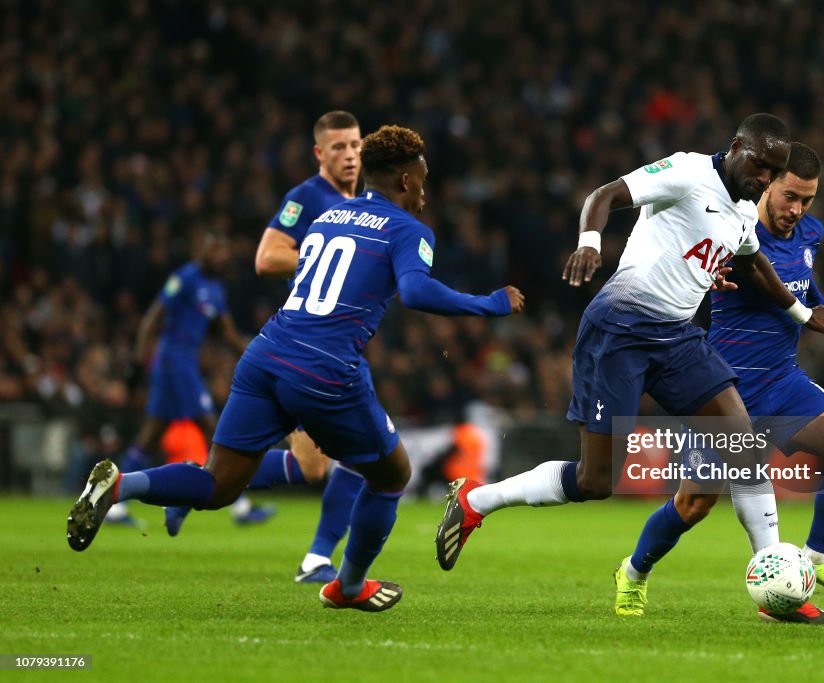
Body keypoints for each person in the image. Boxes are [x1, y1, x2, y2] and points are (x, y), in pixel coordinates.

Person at [67, 125, 525, 613]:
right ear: (407, 181)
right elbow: (414, 292)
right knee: (391, 475)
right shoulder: (411, 229)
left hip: (267, 352)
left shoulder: (330, 214)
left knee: (218, 483)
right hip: (326, 370)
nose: (426, 192)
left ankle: (122, 485)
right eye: (423, 180)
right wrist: (490, 303)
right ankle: (348, 586)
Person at [434, 114, 824, 618]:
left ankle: (778, 595)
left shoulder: (744, 210)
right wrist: (590, 243)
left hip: (678, 338)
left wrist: (804, 314)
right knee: (596, 482)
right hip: (619, 332)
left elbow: (751, 265)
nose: (765, 179)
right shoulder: (686, 172)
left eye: (773, 172)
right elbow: (604, 195)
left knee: (741, 445)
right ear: (736, 147)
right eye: (761, 166)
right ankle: (477, 502)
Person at [613, 142, 824, 625]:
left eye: (807, 200)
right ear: (767, 183)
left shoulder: (809, 232)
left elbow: (799, 284)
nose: (797, 209)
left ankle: (814, 560)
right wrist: (710, 277)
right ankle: (633, 571)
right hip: (721, 390)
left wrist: (819, 306)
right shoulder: (733, 226)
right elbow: (698, 264)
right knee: (693, 505)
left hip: (782, 380)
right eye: (789, 196)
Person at [165, 111, 368, 585]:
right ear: (319, 154)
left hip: (333, 344)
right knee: (362, 454)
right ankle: (317, 559)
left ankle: (191, 484)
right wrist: (327, 262)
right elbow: (267, 257)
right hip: (303, 348)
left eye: (356, 145)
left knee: (313, 467)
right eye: (338, 147)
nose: (349, 155)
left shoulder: (359, 204)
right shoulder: (305, 198)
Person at [109, 231, 274, 527]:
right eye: (216, 250)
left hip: (184, 362)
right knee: (212, 427)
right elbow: (153, 317)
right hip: (174, 360)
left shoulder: (215, 288)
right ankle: (241, 506)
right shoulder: (185, 278)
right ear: (202, 251)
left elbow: (226, 332)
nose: (222, 256)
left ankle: (113, 505)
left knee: (152, 433)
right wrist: (136, 362)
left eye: (225, 251)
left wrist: (258, 353)